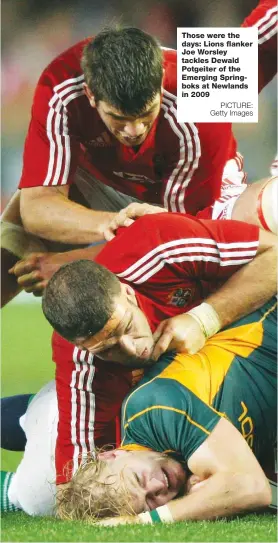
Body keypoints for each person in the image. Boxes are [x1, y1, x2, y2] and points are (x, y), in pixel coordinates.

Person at [16, 212, 274, 493]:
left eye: (127, 326)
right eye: (109, 349)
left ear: (127, 293)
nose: (132, 349)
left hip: (251, 346)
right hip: (181, 405)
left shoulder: (156, 247)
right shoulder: (81, 362)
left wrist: (204, 318)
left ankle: (33, 413)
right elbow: (77, 487)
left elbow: (274, 253)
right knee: (42, 497)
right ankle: (18, 471)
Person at [1, 24, 246, 307]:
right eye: (119, 118)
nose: (134, 131)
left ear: (160, 84)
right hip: (106, 180)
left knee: (188, 286)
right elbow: (36, 207)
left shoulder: (204, 88)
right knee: (13, 237)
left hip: (195, 204)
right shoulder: (59, 82)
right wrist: (110, 224)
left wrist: (70, 263)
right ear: (91, 95)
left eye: (145, 115)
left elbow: (177, 238)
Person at [1, 298, 277, 518]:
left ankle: (25, 425)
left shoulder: (155, 407)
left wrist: (147, 519)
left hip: (269, 315)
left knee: (38, 498)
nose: (158, 487)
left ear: (112, 456)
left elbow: (250, 487)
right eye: (149, 502)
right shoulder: (174, 471)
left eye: (139, 479)